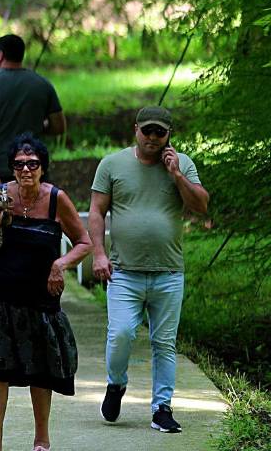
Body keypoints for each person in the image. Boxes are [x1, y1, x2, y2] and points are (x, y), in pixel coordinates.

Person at [88, 106, 210, 434]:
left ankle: (162, 408)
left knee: (164, 342)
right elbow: (97, 211)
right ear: (136, 129)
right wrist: (99, 254)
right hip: (124, 271)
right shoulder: (112, 164)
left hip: (168, 272)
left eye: (160, 133)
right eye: (148, 131)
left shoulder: (181, 163)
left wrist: (177, 176)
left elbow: (201, 205)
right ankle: (116, 385)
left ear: (169, 135)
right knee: (122, 333)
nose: (153, 138)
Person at [0, 134, 90, 451]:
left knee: (41, 370)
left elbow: (84, 242)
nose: (26, 170)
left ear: (43, 167)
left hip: (40, 298)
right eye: (19, 164)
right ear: (12, 168)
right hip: (2, 298)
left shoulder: (55, 199)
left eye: (33, 164)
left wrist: (60, 264)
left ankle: (41, 439)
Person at [0, 35, 65, 200]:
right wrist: (37, 127)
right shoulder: (42, 84)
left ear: (0, 55)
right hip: (33, 169)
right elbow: (59, 126)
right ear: (22, 54)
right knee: (35, 219)